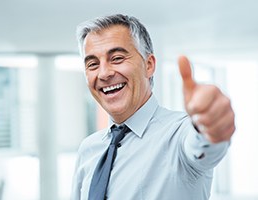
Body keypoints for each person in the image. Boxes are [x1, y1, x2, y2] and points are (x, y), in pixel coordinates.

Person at [71, 14, 235, 200]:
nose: (104, 73)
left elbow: (204, 145)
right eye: (92, 64)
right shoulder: (88, 149)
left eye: (116, 58)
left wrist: (211, 127)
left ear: (148, 65)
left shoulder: (179, 134)